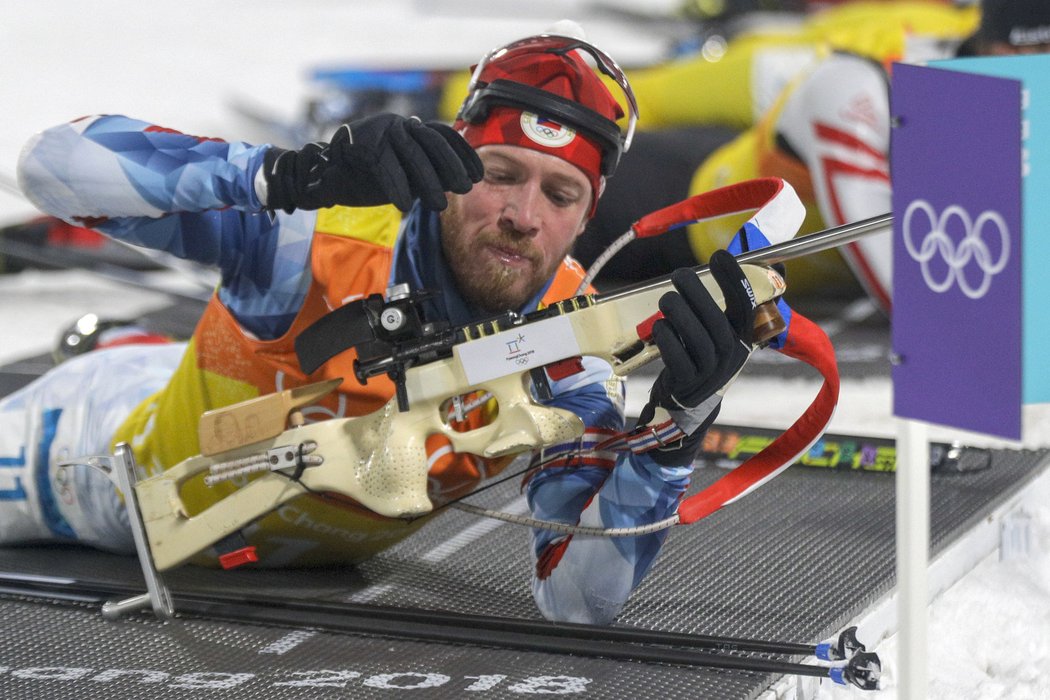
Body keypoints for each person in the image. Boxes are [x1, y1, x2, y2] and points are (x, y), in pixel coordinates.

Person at [1, 28, 783, 625]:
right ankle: (120, 354)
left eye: (560, 193)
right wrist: (286, 172)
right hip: (92, 462)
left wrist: (672, 435)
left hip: (274, 533)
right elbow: (49, 167)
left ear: (587, 216)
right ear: (450, 170)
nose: (521, 216)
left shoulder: (570, 353)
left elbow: (577, 602)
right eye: (500, 173)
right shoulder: (310, 235)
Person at [573, 0, 1050, 312]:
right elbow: (928, 302)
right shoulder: (864, 84)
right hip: (696, 209)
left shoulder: (989, 65)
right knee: (568, 175)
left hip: (787, 192)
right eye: (1035, 51)